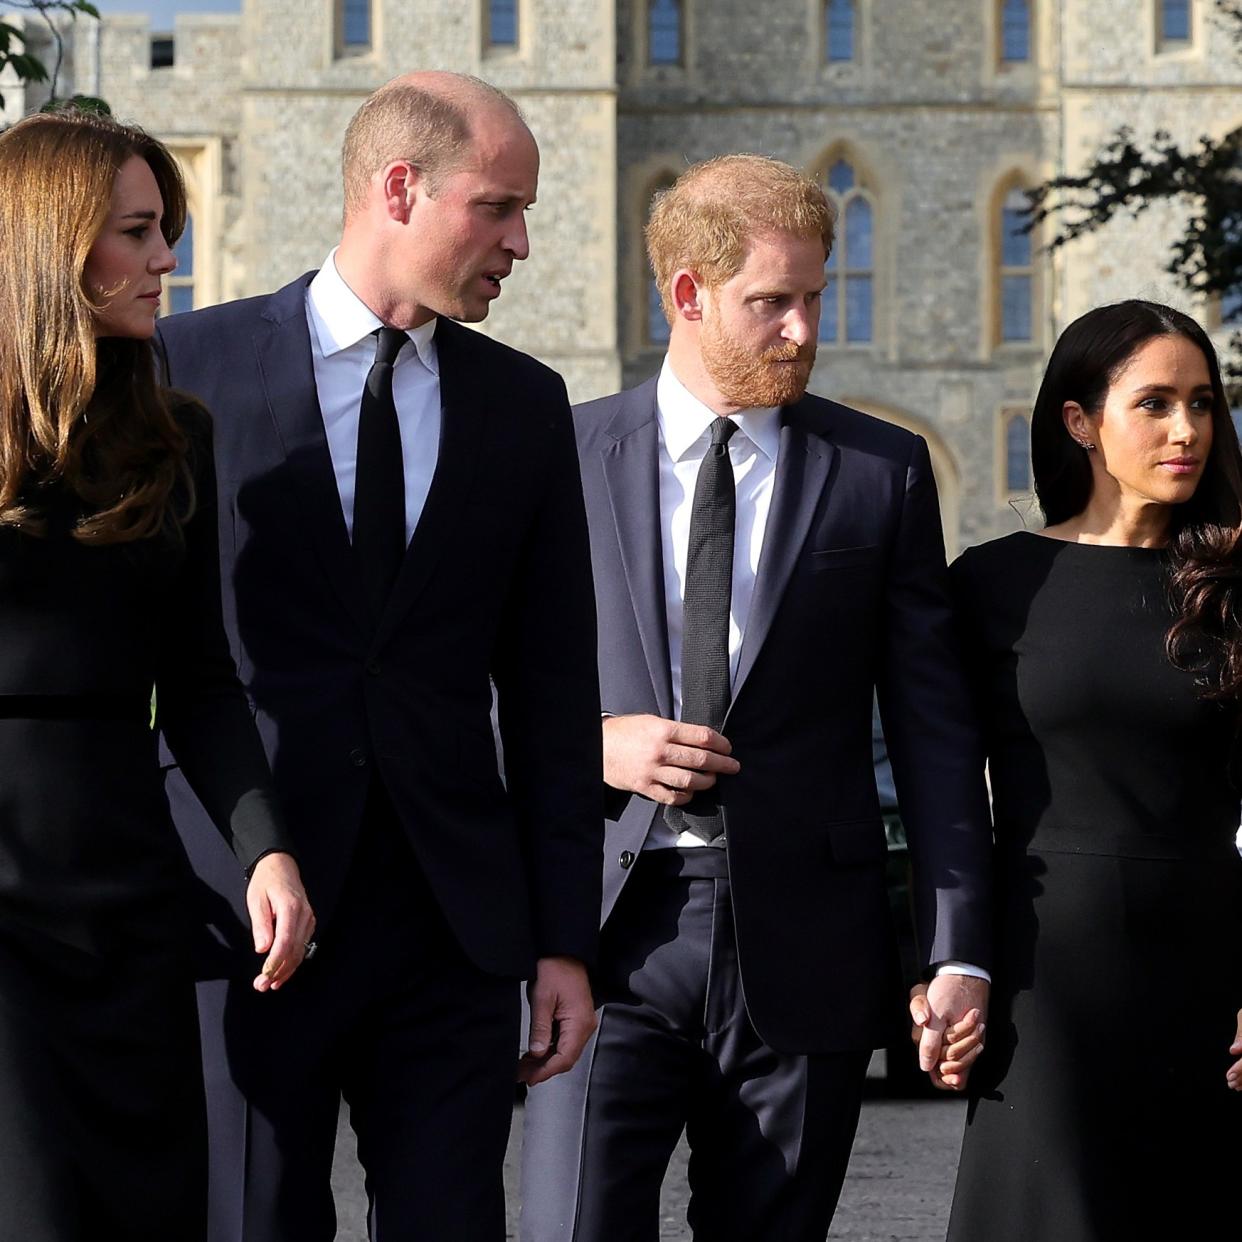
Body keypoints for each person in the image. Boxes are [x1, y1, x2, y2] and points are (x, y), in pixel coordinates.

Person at [156, 72, 602, 1241]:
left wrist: (563, 940)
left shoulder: (524, 404)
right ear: (399, 188)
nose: (519, 242)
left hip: (452, 929)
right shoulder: (183, 367)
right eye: (499, 208)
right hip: (249, 913)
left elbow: (555, 695)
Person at [519, 153, 992, 1242]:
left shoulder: (883, 472)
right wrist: (590, 744)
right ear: (687, 294)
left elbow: (932, 729)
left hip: (807, 940)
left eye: (813, 298)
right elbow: (467, 683)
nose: (802, 330)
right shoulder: (563, 453)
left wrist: (954, 944)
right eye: (769, 302)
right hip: (605, 932)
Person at [0, 108, 313, 1241]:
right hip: (4, 900)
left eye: (166, 230)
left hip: (131, 897)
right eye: (137, 233)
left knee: (153, 1208)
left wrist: (262, 848)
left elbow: (200, 678)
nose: (167, 261)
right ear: (55, 245)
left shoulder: (174, 433)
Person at [942, 300, 1242, 1241]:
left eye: (1202, 402)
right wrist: (949, 966)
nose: (1186, 430)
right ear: (1081, 422)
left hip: (1211, 973)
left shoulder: (1237, 586)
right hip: (1044, 983)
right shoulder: (990, 585)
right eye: (1154, 403)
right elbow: (944, 792)